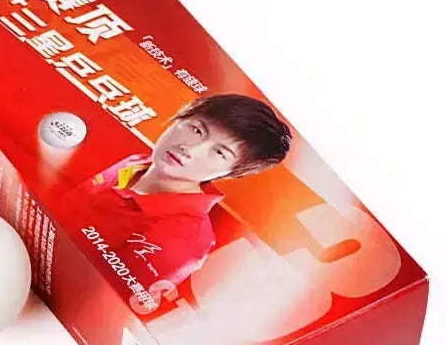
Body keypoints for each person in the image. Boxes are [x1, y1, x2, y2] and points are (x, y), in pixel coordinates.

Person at [74, 93, 292, 302]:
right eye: (197, 130)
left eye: (219, 152)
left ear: (232, 173)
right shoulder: (136, 163)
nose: (190, 149)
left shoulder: (183, 240)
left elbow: (100, 303)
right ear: (181, 115)